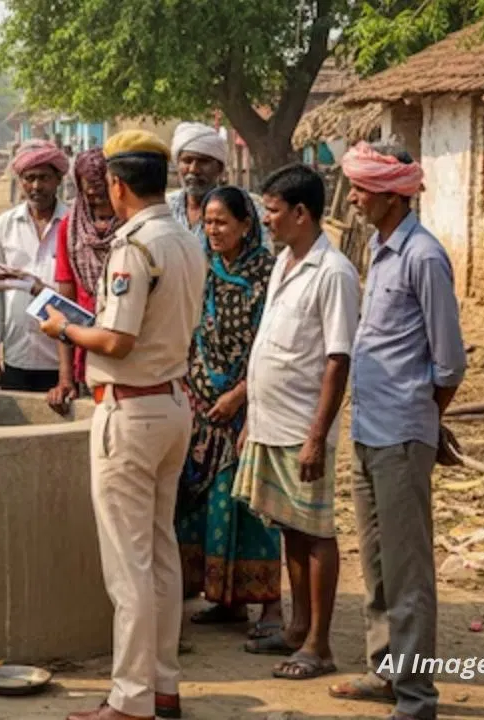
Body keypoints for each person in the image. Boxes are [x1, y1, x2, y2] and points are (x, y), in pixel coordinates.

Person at [46, 130, 207, 720]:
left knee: (129, 564)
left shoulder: (133, 246)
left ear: (117, 185)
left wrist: (63, 330)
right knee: (161, 553)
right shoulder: (185, 241)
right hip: (171, 402)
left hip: (131, 408)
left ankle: (130, 698)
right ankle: (163, 685)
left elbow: (116, 337)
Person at [327, 142, 466, 720]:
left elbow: (449, 362)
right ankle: (386, 671)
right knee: (379, 564)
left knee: (409, 572)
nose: (353, 199)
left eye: (361, 189)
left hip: (402, 433)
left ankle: (416, 697)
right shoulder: (381, 250)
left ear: (390, 194)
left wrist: (425, 419)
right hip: (369, 429)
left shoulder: (423, 257)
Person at [233, 164, 359, 682]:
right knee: (289, 528)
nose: (267, 221)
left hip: (302, 427)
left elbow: (337, 359)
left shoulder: (333, 273)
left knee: (316, 532)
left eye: (273, 211)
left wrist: (315, 437)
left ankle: (319, 643)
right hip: (271, 420)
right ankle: (297, 626)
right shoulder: (286, 260)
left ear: (302, 213)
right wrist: (252, 416)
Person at [174, 186, 283, 638]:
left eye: (222, 222)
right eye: (209, 222)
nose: (213, 230)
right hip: (201, 406)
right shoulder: (201, 269)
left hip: (246, 407)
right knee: (202, 508)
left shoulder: (267, 274)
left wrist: (238, 396)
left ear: (245, 224)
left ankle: (270, 608)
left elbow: (269, 345)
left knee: (252, 505)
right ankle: (224, 600)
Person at [0, 139, 69, 392]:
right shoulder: (4, 226)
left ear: (58, 180)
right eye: (29, 178)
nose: (36, 186)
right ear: (20, 181)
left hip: (61, 362)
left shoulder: (73, 225)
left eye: (44, 178)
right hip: (17, 357)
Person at [47, 148, 121, 409]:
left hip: (128, 357)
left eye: (104, 196)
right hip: (85, 357)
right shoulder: (70, 230)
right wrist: (65, 378)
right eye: (92, 196)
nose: (99, 207)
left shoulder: (133, 228)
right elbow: (64, 307)